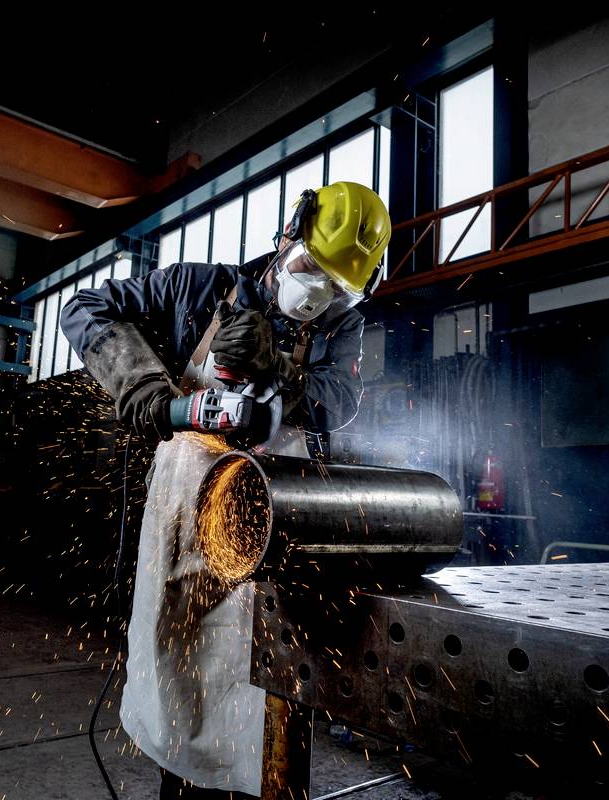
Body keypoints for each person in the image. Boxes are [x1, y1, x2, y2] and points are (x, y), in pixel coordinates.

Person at [61, 181, 391, 798]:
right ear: (286, 235)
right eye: (307, 271)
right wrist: (150, 394)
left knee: (267, 684)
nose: (315, 295)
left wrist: (284, 375)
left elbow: (340, 400)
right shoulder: (197, 289)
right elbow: (83, 308)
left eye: (335, 290)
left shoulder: (341, 327)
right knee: (178, 670)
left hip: (276, 513)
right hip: (187, 505)